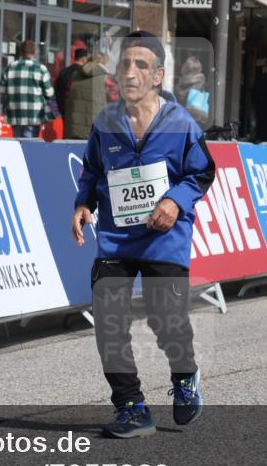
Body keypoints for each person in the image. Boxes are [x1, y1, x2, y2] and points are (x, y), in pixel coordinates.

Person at [71, 31, 216, 439]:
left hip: (164, 238)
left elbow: (202, 172)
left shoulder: (181, 123)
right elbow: (92, 170)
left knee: (165, 319)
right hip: (116, 238)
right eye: (125, 64)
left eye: (141, 65)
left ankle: (185, 375)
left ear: (157, 76)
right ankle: (131, 407)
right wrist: (83, 203)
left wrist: (174, 202)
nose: (130, 73)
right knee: (109, 323)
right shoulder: (106, 122)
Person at [0, 39, 57, 138]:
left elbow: (2, 90)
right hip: (34, 116)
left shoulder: (10, 68)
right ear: (34, 52)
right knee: (30, 143)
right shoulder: (41, 69)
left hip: (15, 115)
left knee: (18, 143)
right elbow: (50, 93)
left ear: (21, 52)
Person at [64, 51, 117, 140]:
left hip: (73, 129)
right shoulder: (107, 79)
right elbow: (115, 103)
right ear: (105, 62)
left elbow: (66, 98)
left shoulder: (75, 75)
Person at [55, 47, 89, 130]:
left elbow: (57, 91)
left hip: (65, 111)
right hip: (80, 112)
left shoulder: (64, 72)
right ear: (84, 60)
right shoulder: (84, 73)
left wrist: (60, 109)